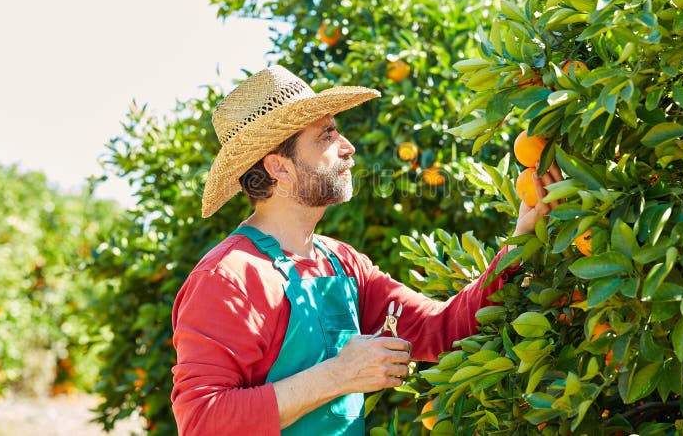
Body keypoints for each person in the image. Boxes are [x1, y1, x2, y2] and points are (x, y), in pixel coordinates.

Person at [170, 65, 562, 435]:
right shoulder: (228, 278)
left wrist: (519, 243)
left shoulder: (341, 263)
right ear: (280, 168)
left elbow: (441, 331)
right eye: (326, 135)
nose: (348, 147)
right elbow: (203, 422)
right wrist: (340, 374)